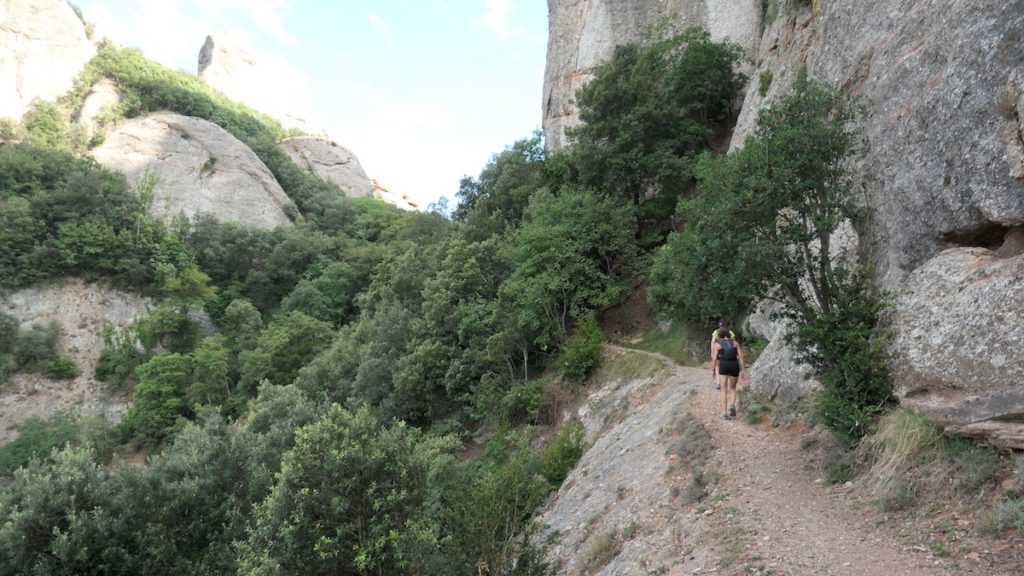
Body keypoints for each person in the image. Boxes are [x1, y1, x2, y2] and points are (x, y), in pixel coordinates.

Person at [711, 324, 746, 419]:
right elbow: (741, 358)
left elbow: (714, 358)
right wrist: (743, 370)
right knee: (733, 388)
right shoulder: (735, 343)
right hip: (734, 365)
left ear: (720, 335)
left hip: (724, 365)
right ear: (729, 334)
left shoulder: (717, 344)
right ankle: (732, 405)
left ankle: (724, 413)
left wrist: (713, 369)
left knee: (724, 390)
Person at [709, 319, 735, 390]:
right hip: (728, 352)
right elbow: (733, 342)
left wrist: (712, 351)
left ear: (719, 325)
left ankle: (718, 383)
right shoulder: (730, 332)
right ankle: (728, 382)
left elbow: (713, 342)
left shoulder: (716, 332)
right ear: (726, 324)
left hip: (718, 351)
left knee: (717, 367)